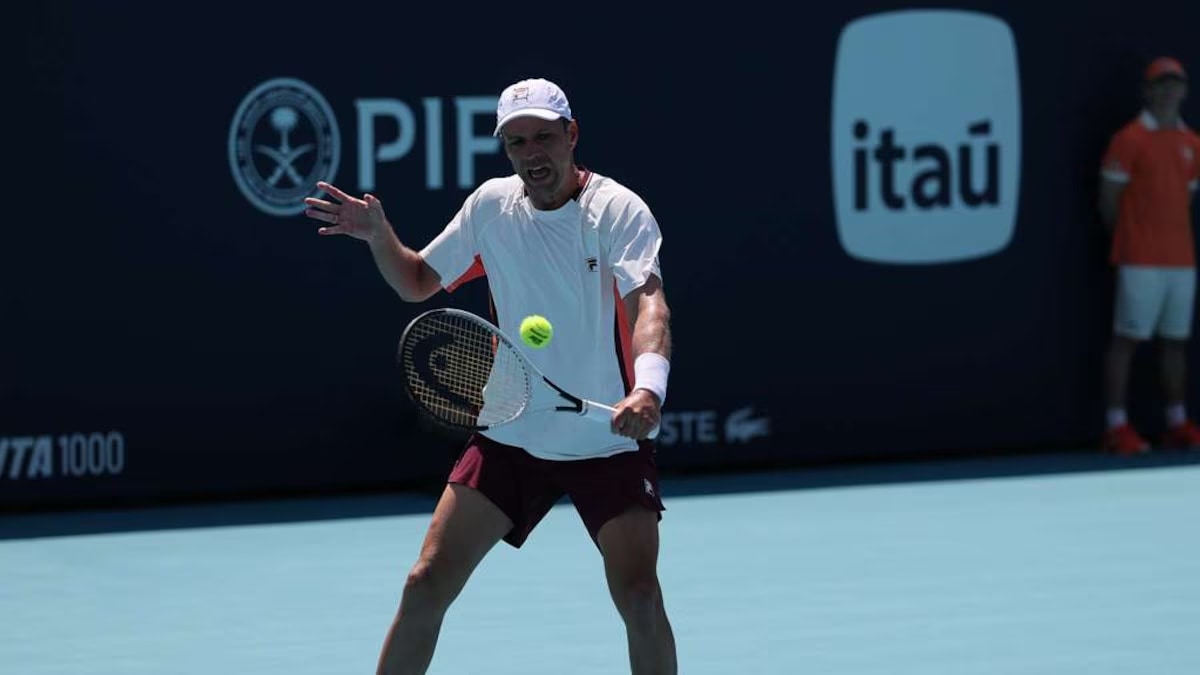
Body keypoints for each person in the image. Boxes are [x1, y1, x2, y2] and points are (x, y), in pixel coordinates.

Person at [304, 77, 678, 674]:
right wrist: (379, 237)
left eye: (544, 138)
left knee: (638, 595)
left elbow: (649, 306)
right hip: (510, 432)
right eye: (516, 142)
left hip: (608, 441)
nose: (532, 154)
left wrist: (647, 389)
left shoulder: (617, 210)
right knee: (426, 581)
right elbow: (417, 283)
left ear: (571, 136)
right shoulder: (491, 208)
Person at [1098, 56, 1200, 454]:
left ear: (1185, 90)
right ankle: (1116, 425)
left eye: (1175, 83)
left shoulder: (1193, 144)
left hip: (1182, 260)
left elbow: (1185, 199)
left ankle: (1176, 421)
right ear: (1148, 91)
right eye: (1161, 83)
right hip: (1139, 258)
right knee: (1127, 339)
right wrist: (1132, 237)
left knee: (1176, 342)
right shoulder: (1129, 139)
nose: (1169, 90)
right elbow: (1109, 201)